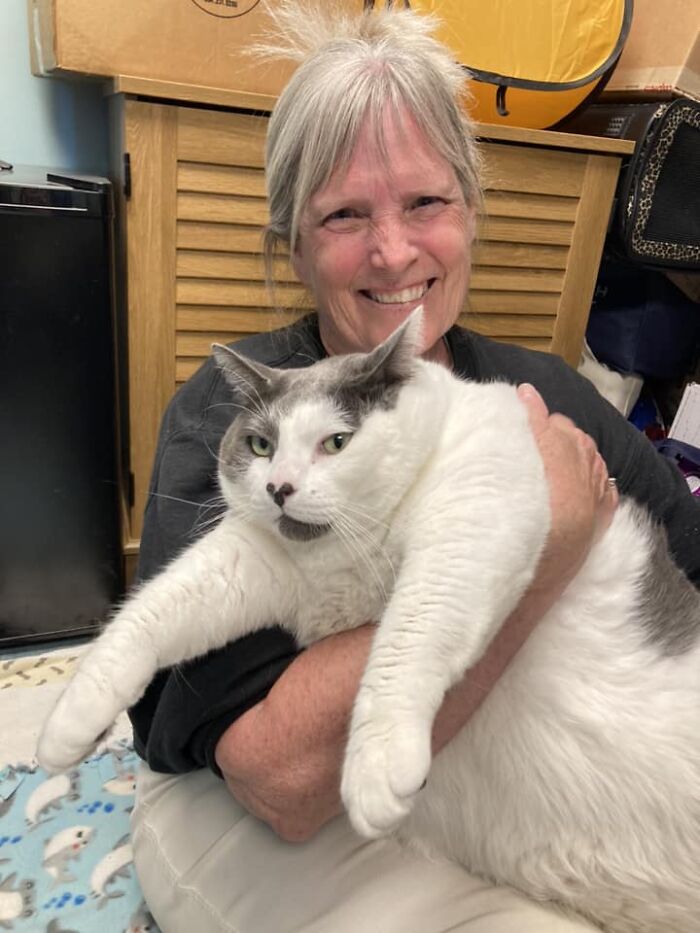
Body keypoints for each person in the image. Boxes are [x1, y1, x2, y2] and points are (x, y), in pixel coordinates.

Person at [128, 3, 700, 931]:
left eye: (426, 203)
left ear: (471, 212)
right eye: (345, 214)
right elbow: (277, 777)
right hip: (278, 802)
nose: (394, 251)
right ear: (295, 246)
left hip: (537, 798)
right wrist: (538, 544)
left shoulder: (542, 391)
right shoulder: (240, 418)